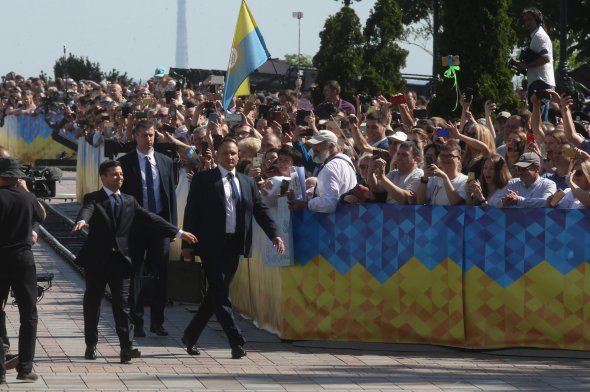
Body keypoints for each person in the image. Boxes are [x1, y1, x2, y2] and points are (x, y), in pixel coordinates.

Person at [72, 160, 196, 364]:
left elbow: (150, 217)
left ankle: (126, 347)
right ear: (103, 177)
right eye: (114, 174)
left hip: (121, 261)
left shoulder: (130, 201)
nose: (119, 178)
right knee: (92, 303)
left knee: (123, 305)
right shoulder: (94, 198)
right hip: (97, 261)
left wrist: (178, 232)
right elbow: (87, 210)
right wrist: (81, 221)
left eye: (121, 174)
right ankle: (91, 344)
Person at [181, 137, 285, 359]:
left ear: (239, 156)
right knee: (221, 292)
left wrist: (274, 235)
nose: (230, 157)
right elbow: (192, 211)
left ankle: (190, 335)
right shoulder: (204, 179)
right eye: (226, 153)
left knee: (215, 294)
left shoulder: (247, 182)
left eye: (233, 153)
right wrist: (186, 243)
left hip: (234, 245)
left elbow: (260, 210)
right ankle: (236, 340)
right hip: (210, 245)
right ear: (218, 155)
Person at [118, 119, 178, 338]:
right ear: (135, 136)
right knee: (134, 274)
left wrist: (172, 227)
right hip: (135, 225)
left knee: (160, 274)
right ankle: (137, 321)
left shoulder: (165, 161)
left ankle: (158, 321)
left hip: (159, 224)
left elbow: (170, 195)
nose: (148, 139)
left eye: (152, 135)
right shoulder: (125, 162)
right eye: (144, 135)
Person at [0, 157, 46, 383]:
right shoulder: (28, 198)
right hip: (24, 260)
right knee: (29, 314)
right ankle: (25, 368)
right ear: (17, 177)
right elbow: (41, 215)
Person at [288, 130, 357, 213]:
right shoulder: (346, 162)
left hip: (334, 221)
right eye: (313, 145)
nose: (313, 149)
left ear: (331, 146)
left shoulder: (330, 167)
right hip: (347, 218)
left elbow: (329, 204)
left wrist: (305, 204)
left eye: (317, 145)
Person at [516, 7, 555, 121]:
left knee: (535, 120)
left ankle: (531, 139)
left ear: (537, 20)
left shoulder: (539, 35)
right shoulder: (537, 35)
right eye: (525, 20)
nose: (527, 23)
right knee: (542, 121)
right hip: (541, 82)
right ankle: (538, 139)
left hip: (540, 83)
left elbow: (546, 57)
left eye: (530, 19)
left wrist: (526, 66)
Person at [491, 152, 556, 208]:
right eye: (518, 169)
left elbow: (547, 202)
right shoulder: (513, 183)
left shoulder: (548, 184)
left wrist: (518, 201)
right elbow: (492, 201)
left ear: (537, 168)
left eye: (524, 169)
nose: (520, 172)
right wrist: (503, 201)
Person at [416, 140, 468, 206]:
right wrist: (424, 179)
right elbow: (420, 202)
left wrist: (445, 177)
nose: (446, 159)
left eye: (450, 156)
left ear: (459, 159)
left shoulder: (465, 180)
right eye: (443, 156)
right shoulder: (435, 178)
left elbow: (455, 202)